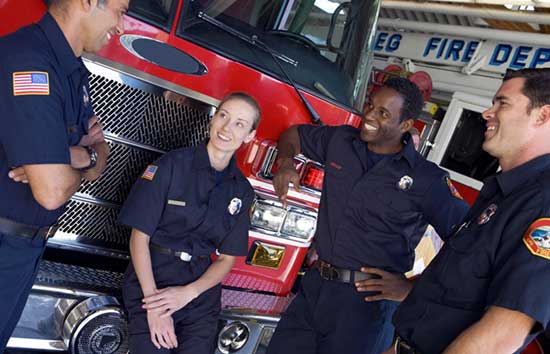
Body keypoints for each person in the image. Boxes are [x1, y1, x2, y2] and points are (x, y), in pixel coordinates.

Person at [267, 77, 469, 354]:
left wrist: (413, 288)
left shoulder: (428, 180)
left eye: (383, 113)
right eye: (371, 105)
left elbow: (468, 242)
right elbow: (294, 135)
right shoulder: (340, 141)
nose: (370, 115)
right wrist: (286, 162)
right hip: (314, 289)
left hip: (365, 308)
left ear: (406, 126)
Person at [386, 68, 550, 354]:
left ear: (542, 116)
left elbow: (503, 334)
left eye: (503, 103)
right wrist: (411, 292)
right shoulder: (502, 193)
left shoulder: (542, 203)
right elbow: (465, 285)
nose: (488, 112)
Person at [0, 0, 126, 350]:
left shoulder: (73, 73)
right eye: (122, 9)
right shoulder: (30, 61)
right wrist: (79, 158)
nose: (122, 26)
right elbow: (52, 190)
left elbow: (100, 157)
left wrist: (76, 156)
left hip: (25, 247)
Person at [119, 92, 260, 354]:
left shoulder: (242, 191)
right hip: (154, 279)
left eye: (239, 124)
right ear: (213, 119)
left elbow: (227, 260)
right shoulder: (171, 165)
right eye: (223, 116)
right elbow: (139, 238)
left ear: (250, 136)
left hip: (200, 292)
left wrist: (188, 293)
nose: (227, 128)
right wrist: (155, 307)